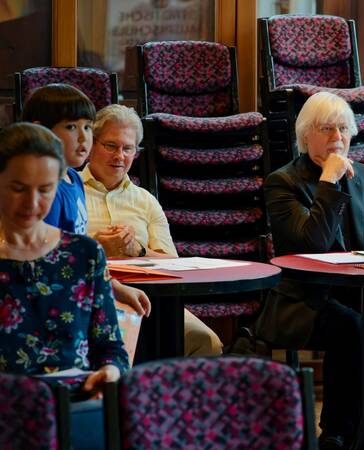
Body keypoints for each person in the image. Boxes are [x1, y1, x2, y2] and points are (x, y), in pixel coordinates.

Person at [253, 92, 364, 449]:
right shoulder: (282, 182)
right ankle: (337, 431)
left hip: (359, 285)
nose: (338, 137)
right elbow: (310, 243)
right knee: (351, 324)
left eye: (344, 128)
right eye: (327, 128)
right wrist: (328, 182)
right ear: (306, 135)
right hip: (306, 297)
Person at [0, 123, 128, 448]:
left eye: (45, 189)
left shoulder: (83, 253)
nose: (32, 202)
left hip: (76, 405)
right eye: (18, 188)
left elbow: (111, 348)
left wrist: (110, 372)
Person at [82, 104, 222, 357]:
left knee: (205, 341)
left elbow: (173, 264)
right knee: (123, 342)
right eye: (111, 146)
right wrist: (96, 247)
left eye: (128, 148)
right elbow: (51, 254)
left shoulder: (145, 200)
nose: (119, 156)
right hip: (92, 296)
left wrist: (137, 249)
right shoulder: (69, 191)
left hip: (153, 299)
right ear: (92, 144)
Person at [21, 83, 152, 318]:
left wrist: (118, 289)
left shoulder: (73, 179)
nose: (83, 138)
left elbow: (81, 257)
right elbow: (47, 263)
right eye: (71, 127)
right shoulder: (44, 191)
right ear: (39, 131)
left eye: (88, 127)